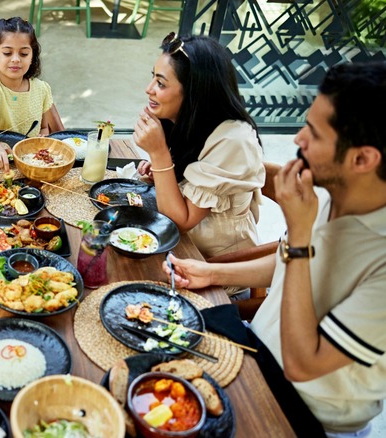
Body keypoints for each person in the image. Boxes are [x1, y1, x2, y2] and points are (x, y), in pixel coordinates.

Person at [164, 62, 386, 437]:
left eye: (313, 133)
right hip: (256, 354)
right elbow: (291, 266)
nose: (298, 138)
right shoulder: (336, 193)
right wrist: (212, 273)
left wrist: (299, 236)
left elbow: (304, 364)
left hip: (306, 413)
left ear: (362, 159)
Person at [132, 33, 265, 264]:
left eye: (161, 83)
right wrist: (165, 174)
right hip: (178, 250)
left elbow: (180, 222)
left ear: (195, 92)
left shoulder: (234, 140)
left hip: (214, 268)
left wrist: (159, 154)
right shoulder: (187, 120)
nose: (149, 89)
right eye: (153, 77)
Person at [0, 17, 60, 170]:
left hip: (30, 164)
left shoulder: (41, 89)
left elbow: (44, 128)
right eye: (7, 53)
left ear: (32, 56)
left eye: (23, 54)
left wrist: (43, 136)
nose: (15, 59)